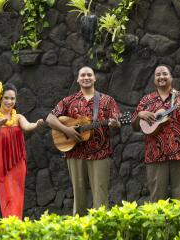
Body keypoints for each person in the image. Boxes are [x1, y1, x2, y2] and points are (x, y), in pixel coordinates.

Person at [46, 66, 121, 216]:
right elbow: (50, 118)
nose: (86, 77)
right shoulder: (68, 101)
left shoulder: (107, 100)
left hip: (100, 154)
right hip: (75, 154)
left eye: (89, 75)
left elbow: (116, 124)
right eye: (83, 75)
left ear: (94, 78)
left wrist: (116, 124)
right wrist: (66, 130)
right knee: (79, 199)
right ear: (78, 79)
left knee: (100, 198)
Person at [132, 65, 180, 202]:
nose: (161, 77)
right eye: (158, 75)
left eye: (164, 74)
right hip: (155, 157)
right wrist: (139, 114)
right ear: (154, 79)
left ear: (171, 77)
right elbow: (135, 126)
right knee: (157, 202)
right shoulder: (147, 100)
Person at [0, 82, 44, 219]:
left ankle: (16, 226)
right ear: (0, 98)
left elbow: (27, 126)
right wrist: (0, 123)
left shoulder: (18, 117)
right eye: (6, 98)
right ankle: (9, 225)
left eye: (12, 98)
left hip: (18, 163)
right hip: (1, 164)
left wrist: (35, 125)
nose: (9, 101)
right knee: (7, 195)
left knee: (17, 195)